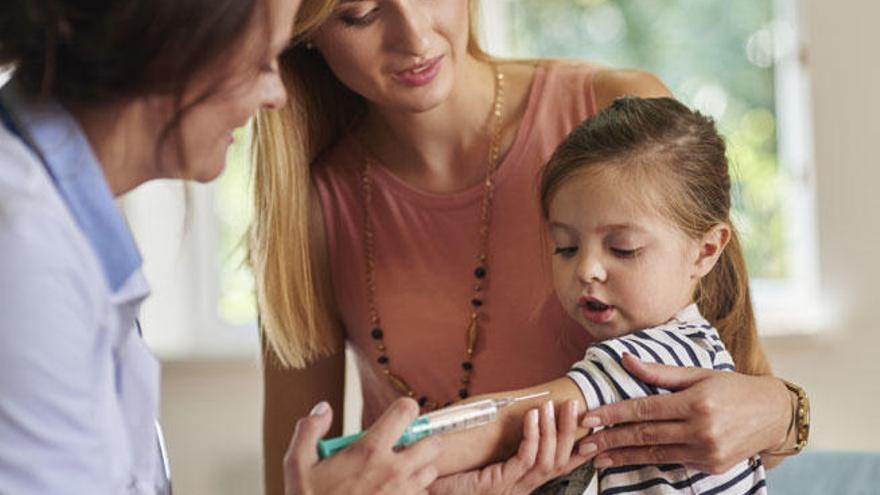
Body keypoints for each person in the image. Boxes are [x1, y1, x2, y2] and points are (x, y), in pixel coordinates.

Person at [252, 1, 806, 493]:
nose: (415, 37)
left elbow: (751, 418)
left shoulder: (621, 124)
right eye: (361, 13)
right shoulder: (308, 204)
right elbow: (296, 477)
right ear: (302, 29)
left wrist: (786, 413)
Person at [0, 0, 442, 493]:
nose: (276, 94)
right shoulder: (24, 254)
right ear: (170, 52)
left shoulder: (55, 219)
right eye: (261, 64)